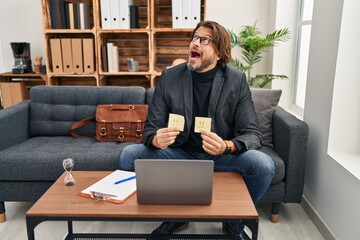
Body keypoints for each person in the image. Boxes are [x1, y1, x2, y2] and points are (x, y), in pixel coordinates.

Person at [118, 20, 275, 238]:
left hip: (219, 157)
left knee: (264, 164)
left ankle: (233, 222)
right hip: (180, 154)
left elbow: (253, 134)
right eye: (194, 38)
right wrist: (156, 139)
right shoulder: (170, 77)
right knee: (128, 156)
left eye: (204, 40)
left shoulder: (235, 81)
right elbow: (150, 130)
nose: (196, 43)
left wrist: (226, 146)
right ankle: (176, 217)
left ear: (219, 52)